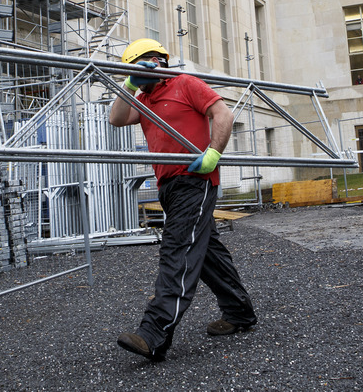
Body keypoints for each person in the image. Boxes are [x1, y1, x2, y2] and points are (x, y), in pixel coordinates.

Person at [109, 38, 257, 362]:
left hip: (195, 180)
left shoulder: (185, 83)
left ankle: (154, 333)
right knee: (205, 254)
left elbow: (224, 114)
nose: (149, 67)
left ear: (162, 61)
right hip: (168, 187)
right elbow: (116, 118)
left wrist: (213, 154)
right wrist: (130, 81)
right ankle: (240, 313)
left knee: (178, 249)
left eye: (152, 61)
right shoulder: (144, 98)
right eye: (139, 65)